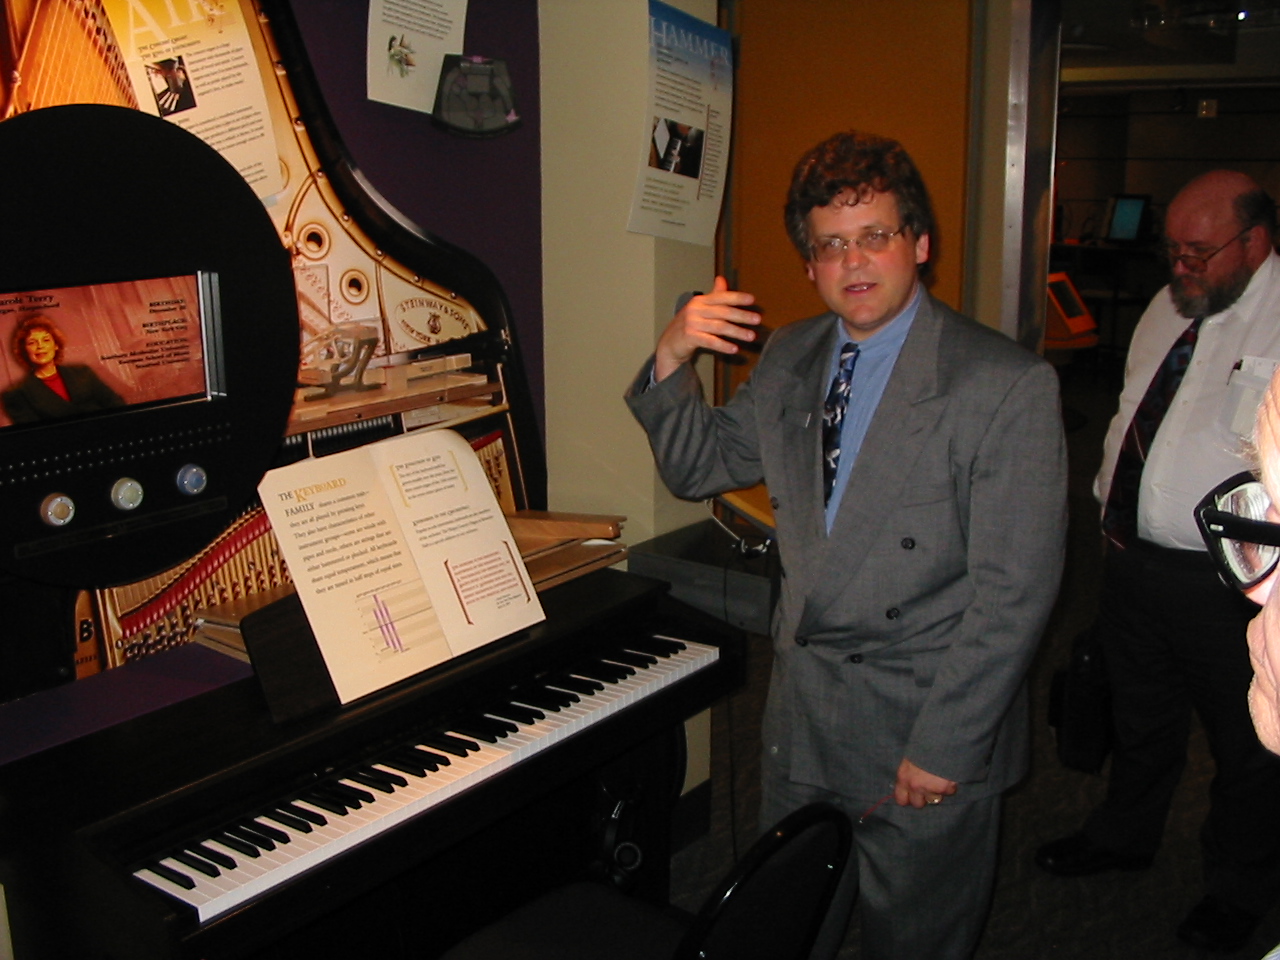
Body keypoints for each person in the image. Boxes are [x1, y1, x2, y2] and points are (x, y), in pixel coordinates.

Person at [626, 130, 1067, 960]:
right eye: (831, 244)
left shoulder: (1001, 385)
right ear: (809, 265)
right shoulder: (793, 354)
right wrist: (673, 353)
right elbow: (700, 467)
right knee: (793, 925)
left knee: (917, 941)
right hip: (805, 720)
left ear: (920, 244)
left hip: (923, 728)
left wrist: (944, 748)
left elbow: (1015, 594)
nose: (853, 261)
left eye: (876, 235)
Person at [1036, 170, 1280, 953]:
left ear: (1255, 241)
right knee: (1139, 714)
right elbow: (1131, 416)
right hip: (1131, 562)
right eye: (1171, 251)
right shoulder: (1169, 307)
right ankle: (1124, 834)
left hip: (1230, 585)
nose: (1180, 267)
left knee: (1246, 745)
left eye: (1198, 253)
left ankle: (1238, 887)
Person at [2, 314, 124, 423]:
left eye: (46, 340)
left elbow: (116, 405)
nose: (40, 346)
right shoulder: (16, 394)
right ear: (24, 350)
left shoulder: (83, 372)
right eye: (32, 342)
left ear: (56, 345)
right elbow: (37, 436)